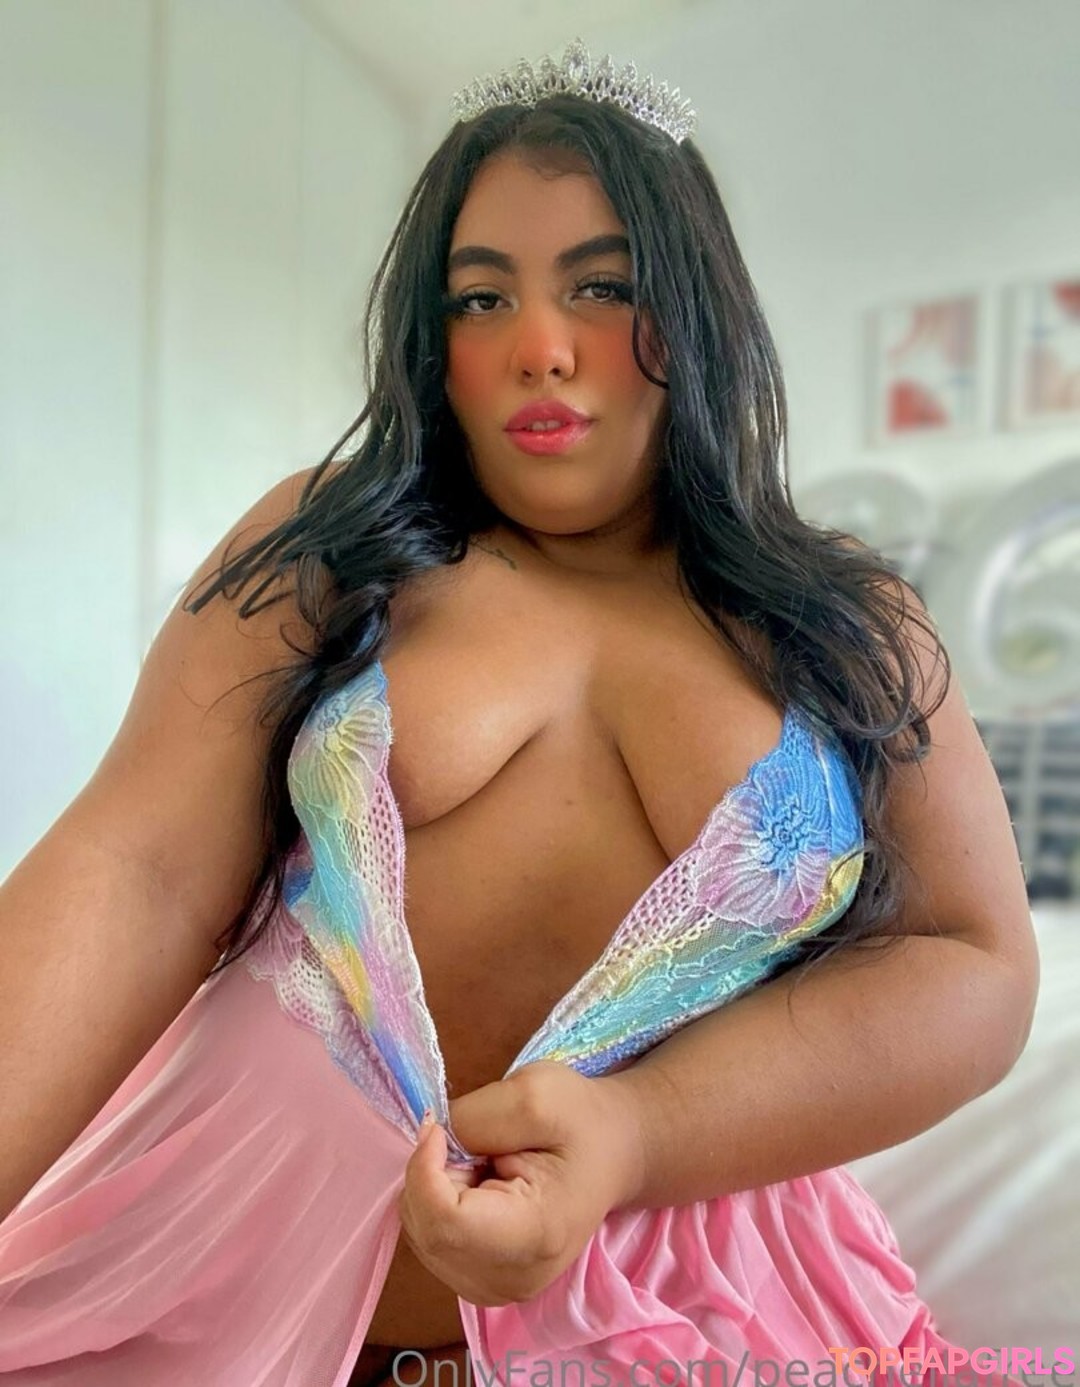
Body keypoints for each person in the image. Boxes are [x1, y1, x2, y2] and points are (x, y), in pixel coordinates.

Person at [0, 37, 1038, 1387]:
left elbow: (976, 961)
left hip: (697, 1337)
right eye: (481, 299)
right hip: (221, 1311)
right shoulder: (333, 551)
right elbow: (133, 872)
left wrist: (637, 1134)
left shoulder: (849, 625)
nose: (539, 350)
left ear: (698, 312)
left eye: (602, 287)